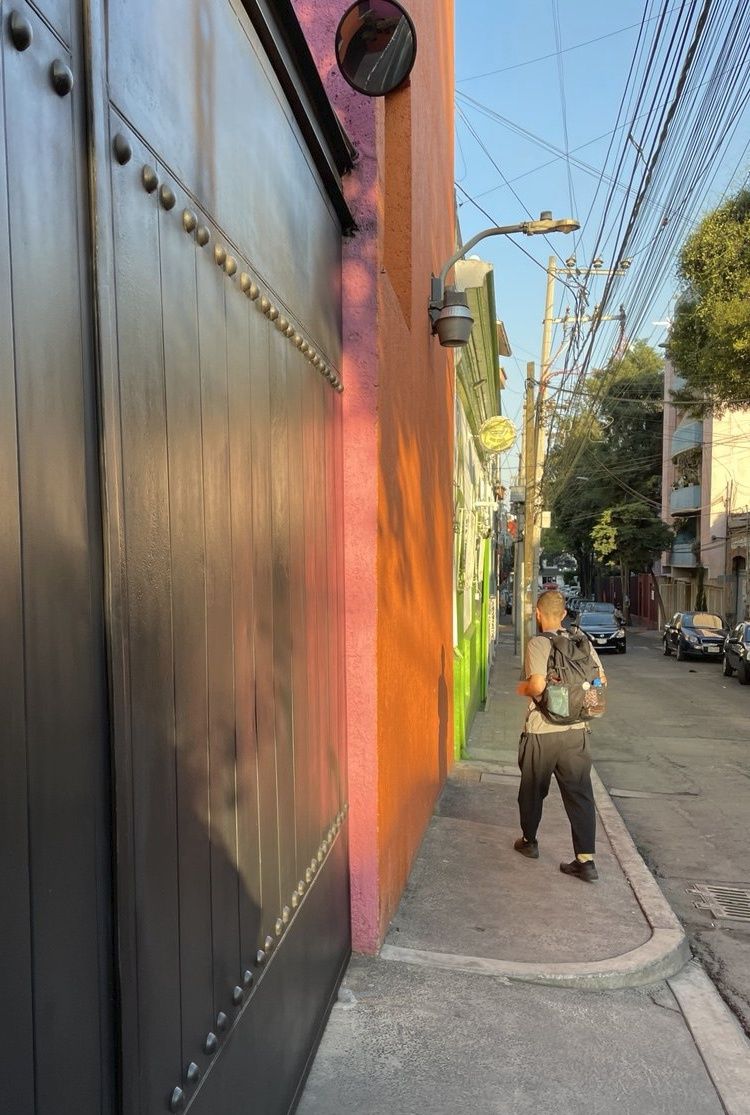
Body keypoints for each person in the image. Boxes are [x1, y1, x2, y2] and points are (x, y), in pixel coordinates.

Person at [514, 589, 606, 882]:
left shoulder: (539, 643)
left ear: (537, 613)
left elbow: (537, 686)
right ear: (564, 614)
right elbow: (601, 680)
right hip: (576, 732)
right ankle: (586, 861)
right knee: (580, 794)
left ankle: (529, 842)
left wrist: (522, 689)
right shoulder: (581, 641)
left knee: (532, 789)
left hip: (542, 731)